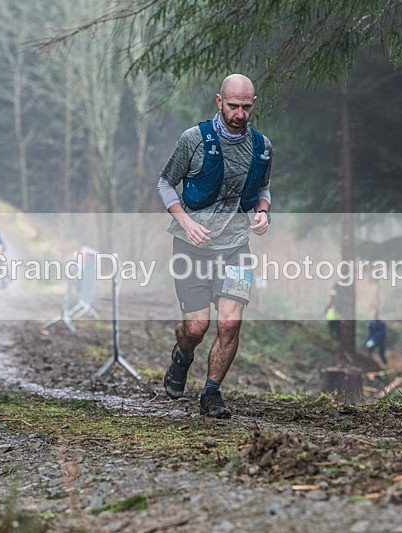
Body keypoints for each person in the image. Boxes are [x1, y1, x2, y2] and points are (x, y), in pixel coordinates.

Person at [157, 73, 273, 418]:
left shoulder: (262, 146)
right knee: (196, 327)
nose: (240, 114)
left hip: (235, 247)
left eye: (247, 107)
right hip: (191, 246)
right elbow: (165, 183)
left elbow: (263, 188)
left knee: (230, 324)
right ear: (220, 102)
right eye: (234, 106)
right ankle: (182, 356)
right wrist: (186, 221)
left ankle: (211, 393)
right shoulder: (193, 140)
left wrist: (263, 212)